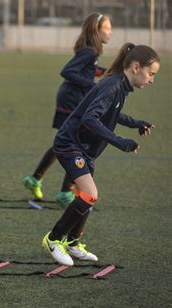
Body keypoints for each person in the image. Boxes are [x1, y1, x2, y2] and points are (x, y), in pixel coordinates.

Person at [42, 43, 160, 266]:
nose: (152, 80)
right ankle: (54, 239)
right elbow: (90, 118)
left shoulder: (119, 86)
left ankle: (73, 243)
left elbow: (112, 113)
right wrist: (120, 142)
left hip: (85, 149)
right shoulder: (112, 85)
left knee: (86, 196)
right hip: (71, 143)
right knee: (89, 194)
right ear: (136, 67)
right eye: (151, 74)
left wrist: (137, 124)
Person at [22, 13, 112, 208]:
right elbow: (68, 71)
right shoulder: (89, 51)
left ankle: (36, 179)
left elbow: (86, 68)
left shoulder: (91, 51)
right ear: (96, 31)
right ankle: (64, 193)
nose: (110, 32)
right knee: (75, 146)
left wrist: (103, 72)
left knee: (65, 143)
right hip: (71, 101)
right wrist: (93, 84)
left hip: (71, 99)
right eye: (106, 28)